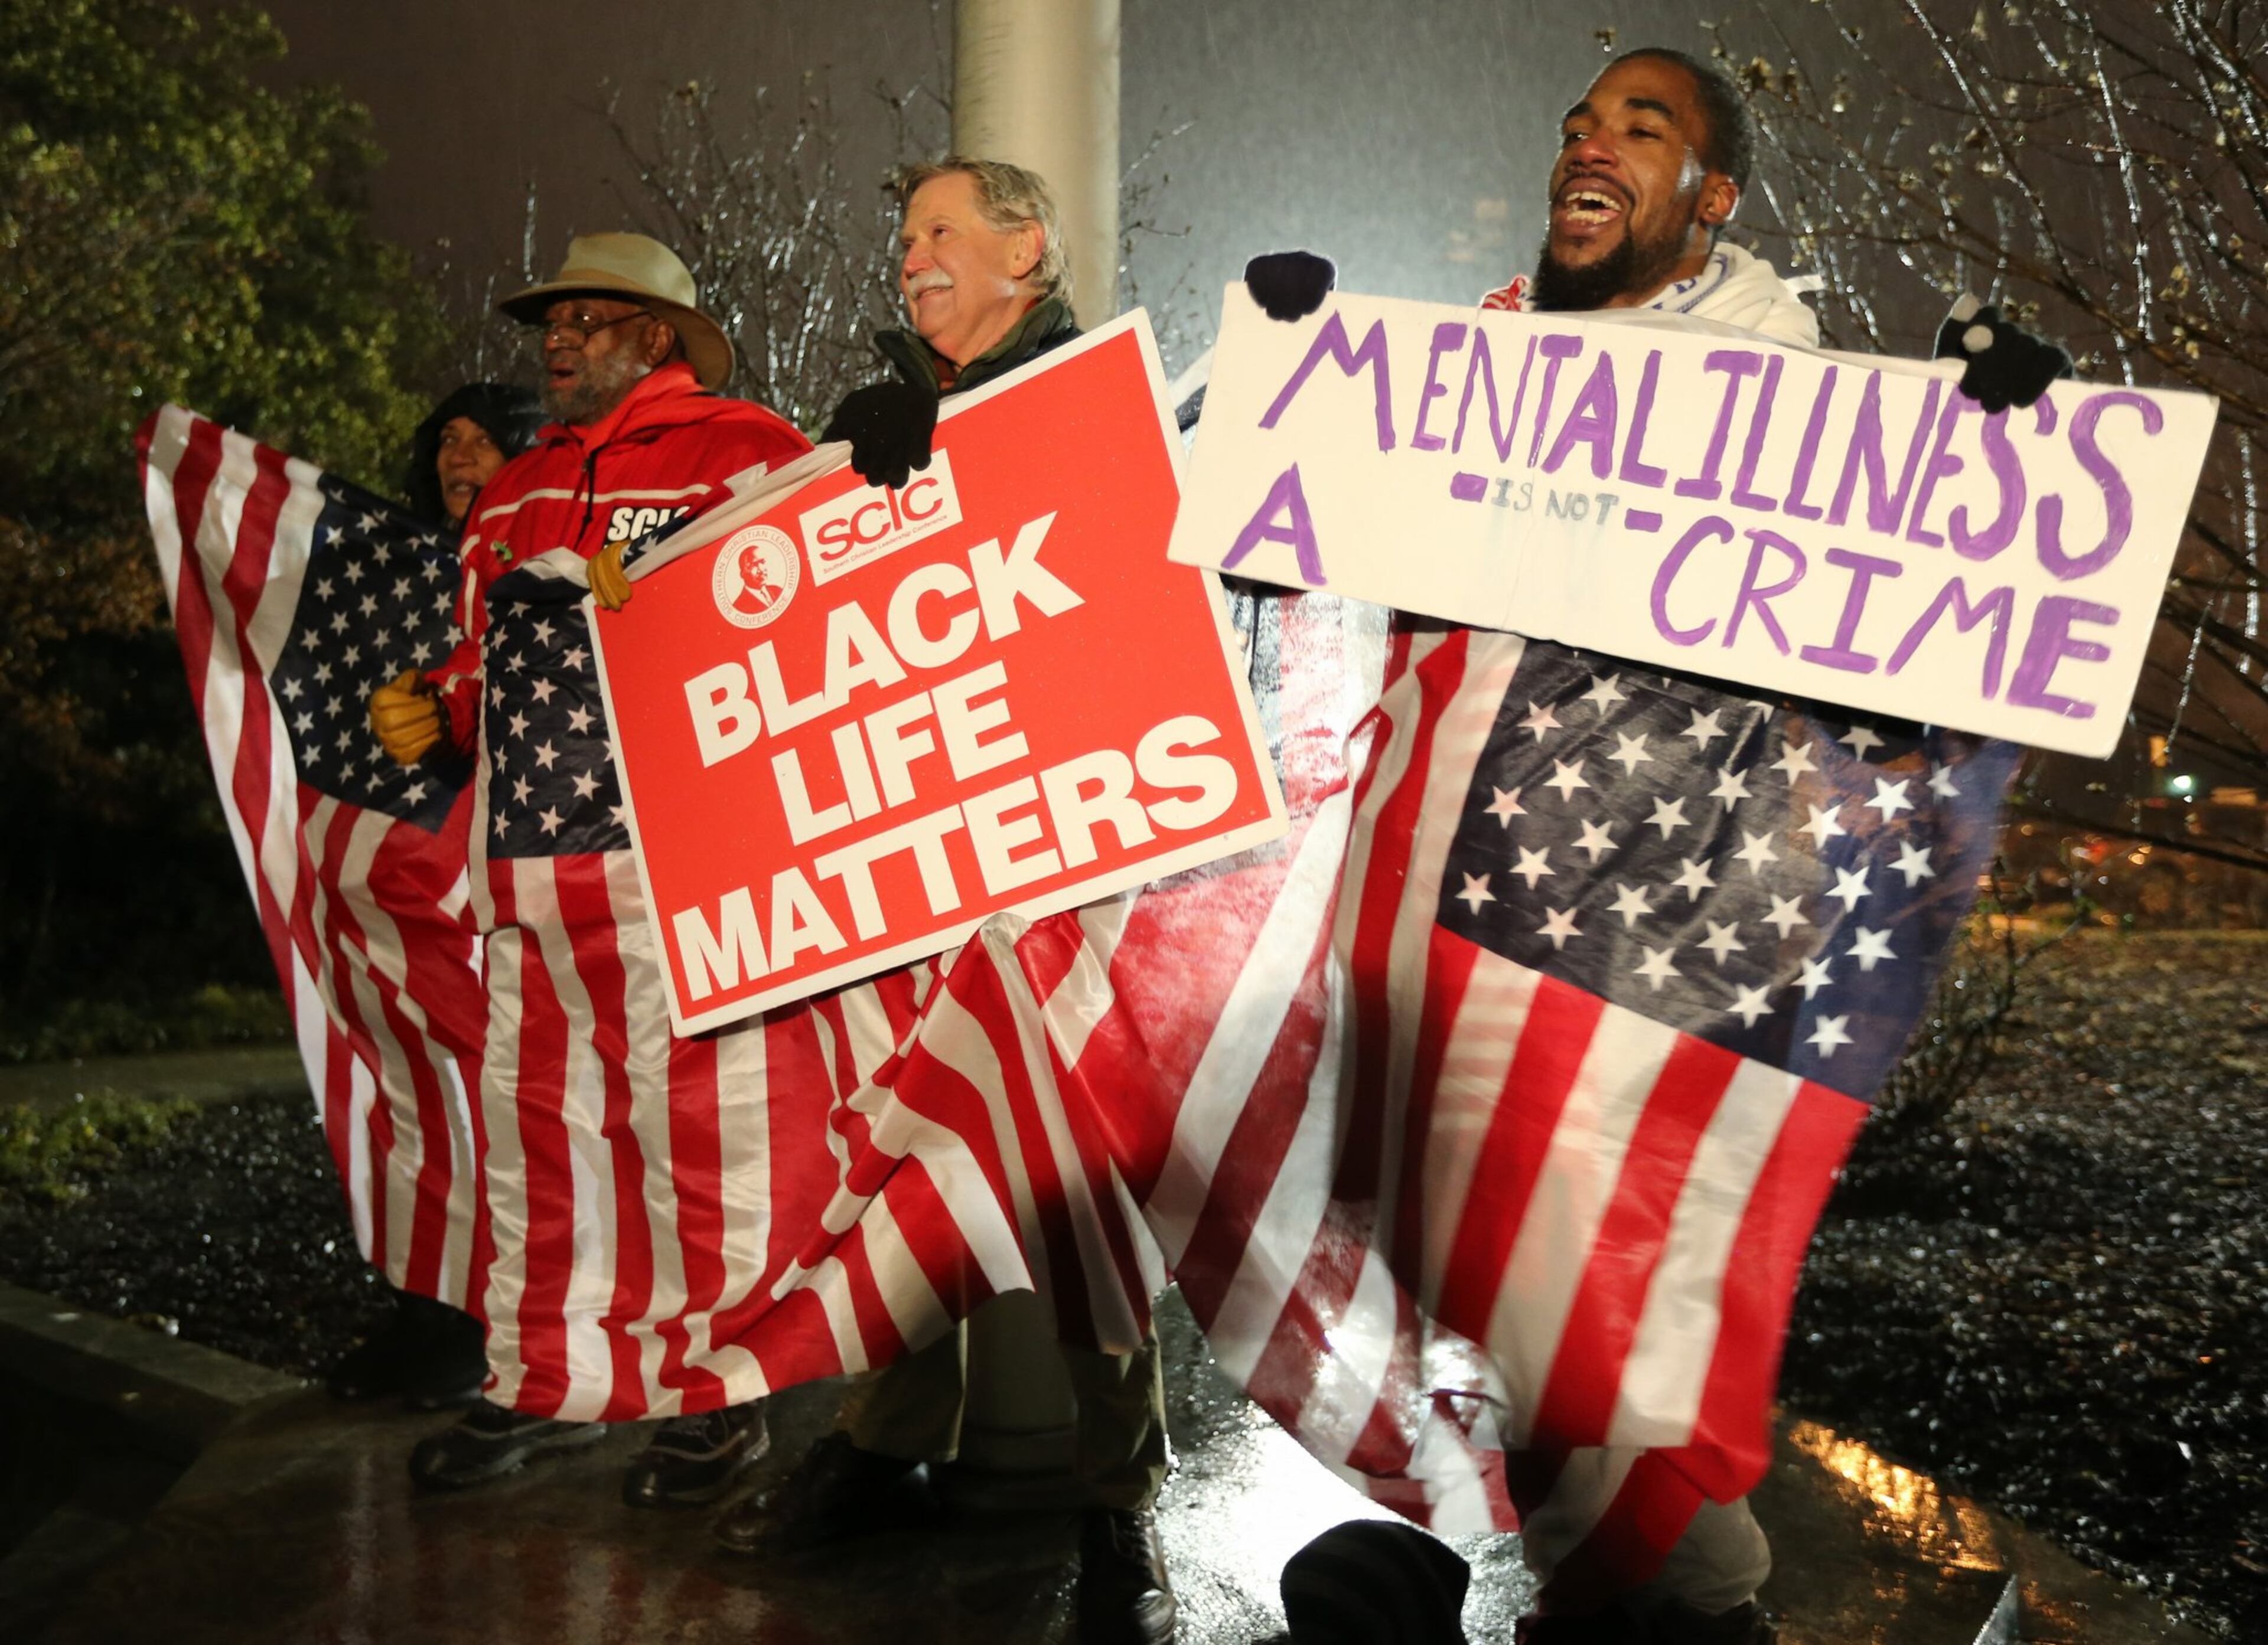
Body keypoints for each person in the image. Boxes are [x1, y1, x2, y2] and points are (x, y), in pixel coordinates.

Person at [1240, 46, 2067, 1645]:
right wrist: (1278, 377)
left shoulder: (1783, 396)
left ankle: (1693, 1593)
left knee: (1601, 1266)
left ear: (1713, 196)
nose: (1588, 145)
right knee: (1465, 1250)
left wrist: (1990, 459)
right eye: (1574, 123)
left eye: (1642, 124)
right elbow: (1300, 559)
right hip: (1449, 905)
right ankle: (1506, 1553)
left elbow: (1893, 662)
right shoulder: (1468, 366)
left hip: (1635, 928)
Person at [711, 158, 1179, 1645]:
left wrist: (969, 451)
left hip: (1073, 871)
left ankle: (1116, 1504)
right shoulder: (876, 412)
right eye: (900, 231)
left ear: (1024, 248)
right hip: (920, 883)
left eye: (935, 231)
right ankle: (884, 1437)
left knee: (1073, 1182)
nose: (906, 254)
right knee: (911, 1151)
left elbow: (1135, 578)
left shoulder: (1104, 398)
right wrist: (844, 491)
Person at [367, 233, 810, 1507]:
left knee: (706, 1141)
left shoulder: (748, 451)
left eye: (589, 321)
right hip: (531, 880)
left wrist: (668, 603)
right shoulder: (512, 493)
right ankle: (546, 1377)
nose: (556, 341)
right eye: (550, 324)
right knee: (542, 1138)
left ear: (657, 337)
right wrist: (436, 708)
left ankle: (721, 1400)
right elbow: (475, 660)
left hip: (690, 865)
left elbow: (808, 614)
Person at [321, 381, 542, 1412]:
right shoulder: (394, 570)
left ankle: (508, 1317)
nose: (462, 455)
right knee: (420, 1096)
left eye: (486, 439)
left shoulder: (549, 561)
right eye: (448, 440)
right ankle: (437, 1310)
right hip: (415, 884)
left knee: (504, 1094)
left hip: (514, 878)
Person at [403, 383, 543, 529]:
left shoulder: (558, 550)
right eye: (450, 439)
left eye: (486, 441)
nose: (458, 458)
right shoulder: (409, 548)